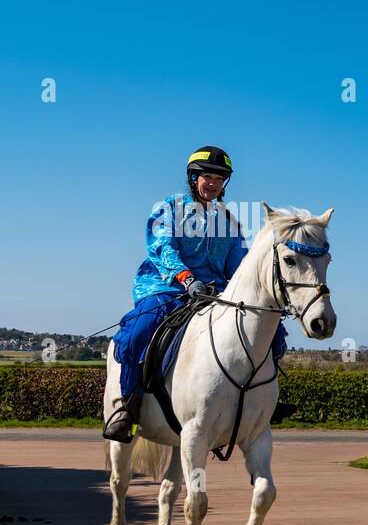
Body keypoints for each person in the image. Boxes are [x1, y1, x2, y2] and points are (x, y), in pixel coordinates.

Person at [102, 146, 291, 442]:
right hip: (168, 288)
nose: (213, 183)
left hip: (215, 293)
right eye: (207, 177)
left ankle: (262, 405)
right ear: (193, 178)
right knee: (136, 333)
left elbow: (238, 266)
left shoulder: (229, 222)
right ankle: (128, 407)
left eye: (219, 178)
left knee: (275, 333)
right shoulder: (168, 208)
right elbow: (163, 249)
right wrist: (187, 278)